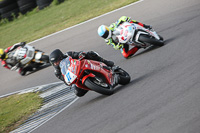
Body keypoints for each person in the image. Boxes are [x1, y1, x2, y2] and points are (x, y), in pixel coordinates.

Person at [49, 49, 114, 97]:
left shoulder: (68, 55)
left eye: (56, 61)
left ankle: (105, 62)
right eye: (54, 63)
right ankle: (92, 85)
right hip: (76, 77)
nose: (56, 64)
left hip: (81, 66)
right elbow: (65, 80)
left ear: (60, 57)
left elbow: (78, 54)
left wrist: (81, 54)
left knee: (90, 53)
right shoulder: (57, 72)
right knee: (78, 93)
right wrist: (68, 82)